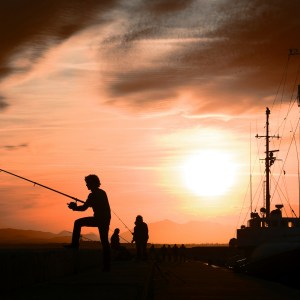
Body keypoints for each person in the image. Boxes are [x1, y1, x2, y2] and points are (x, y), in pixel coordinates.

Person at [65, 174, 111, 272]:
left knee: (78, 223)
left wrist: (74, 207)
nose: (86, 185)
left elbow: (84, 208)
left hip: (99, 219)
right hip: (106, 219)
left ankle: (74, 244)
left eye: (87, 183)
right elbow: (90, 205)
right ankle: (107, 266)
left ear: (92, 183)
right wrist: (84, 205)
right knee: (105, 241)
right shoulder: (102, 192)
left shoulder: (92, 195)